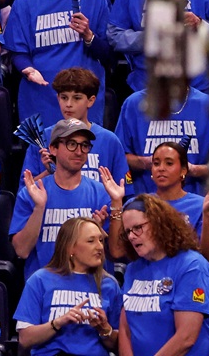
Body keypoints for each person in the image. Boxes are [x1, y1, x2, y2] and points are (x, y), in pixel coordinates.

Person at [5, 0, 111, 125]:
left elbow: (109, 54)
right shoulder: (26, 0)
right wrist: (28, 69)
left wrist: (89, 36)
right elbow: (18, 52)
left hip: (82, 99)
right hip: (40, 95)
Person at [11, 118, 125, 278]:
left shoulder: (102, 194)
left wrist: (97, 232)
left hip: (90, 286)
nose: (79, 152)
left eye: (84, 146)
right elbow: (21, 250)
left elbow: (116, 252)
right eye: (71, 144)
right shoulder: (32, 193)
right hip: (45, 290)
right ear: (53, 149)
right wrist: (39, 208)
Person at [118, 194, 209, 356]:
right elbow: (125, 330)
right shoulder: (133, 270)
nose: (131, 236)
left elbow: (186, 337)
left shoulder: (192, 266)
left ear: (159, 224)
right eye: (128, 231)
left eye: (138, 228)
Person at [14, 216, 122, 355]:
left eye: (100, 240)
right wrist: (58, 323)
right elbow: (25, 339)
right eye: (91, 241)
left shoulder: (109, 284)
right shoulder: (40, 280)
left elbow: (119, 345)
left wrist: (105, 329)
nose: (100, 247)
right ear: (70, 248)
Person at [20, 67, 128, 183]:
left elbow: (122, 190)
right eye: (64, 98)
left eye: (77, 98)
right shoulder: (42, 139)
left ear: (91, 101)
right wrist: (49, 172)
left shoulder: (109, 141)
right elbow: (25, 192)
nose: (69, 104)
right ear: (58, 98)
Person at [116, 79, 209, 195]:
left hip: (194, 200)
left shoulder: (208, 106)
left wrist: (193, 170)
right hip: (146, 200)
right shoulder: (134, 103)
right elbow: (118, 157)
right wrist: (145, 162)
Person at [147, 139, 209, 260]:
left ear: (183, 170)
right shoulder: (139, 204)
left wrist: (207, 214)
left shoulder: (202, 206)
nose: (161, 168)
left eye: (169, 163)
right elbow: (119, 252)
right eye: (156, 163)